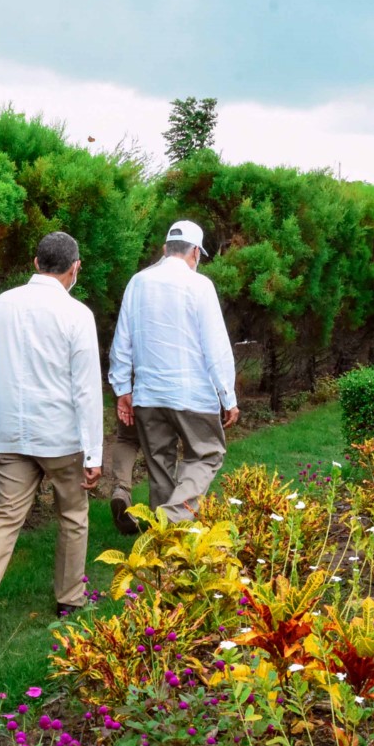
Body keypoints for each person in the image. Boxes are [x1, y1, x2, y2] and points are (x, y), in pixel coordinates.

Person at [0, 232, 104, 646]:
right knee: (72, 513)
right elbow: (86, 388)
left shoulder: (3, 305)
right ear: (75, 268)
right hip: (61, 438)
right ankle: (70, 599)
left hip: (10, 432)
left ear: (36, 263)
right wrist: (94, 452)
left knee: (5, 516)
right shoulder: (77, 314)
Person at [109, 221, 238, 522]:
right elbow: (215, 346)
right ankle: (174, 517)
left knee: (159, 466)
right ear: (195, 252)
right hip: (193, 395)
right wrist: (227, 397)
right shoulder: (200, 285)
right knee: (207, 455)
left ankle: (161, 546)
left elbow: (121, 342)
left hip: (149, 395)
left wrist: (122, 390)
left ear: (166, 249)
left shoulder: (138, 282)